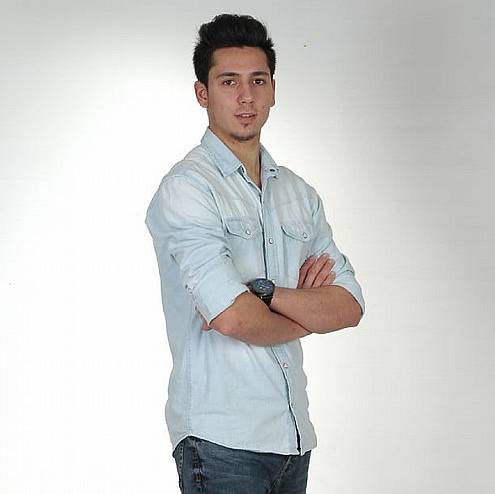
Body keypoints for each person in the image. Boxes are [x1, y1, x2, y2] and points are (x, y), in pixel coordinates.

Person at [145, 13, 365, 494]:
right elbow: (230, 317)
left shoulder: (299, 194)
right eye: (229, 81)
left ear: (272, 90)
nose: (246, 96)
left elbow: (349, 306)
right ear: (202, 93)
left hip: (293, 438)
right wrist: (306, 314)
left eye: (257, 81)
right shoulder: (187, 189)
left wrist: (263, 294)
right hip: (220, 441)